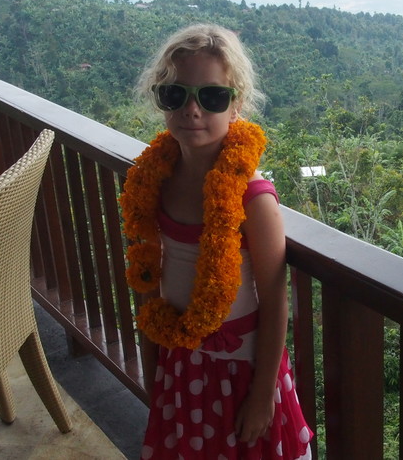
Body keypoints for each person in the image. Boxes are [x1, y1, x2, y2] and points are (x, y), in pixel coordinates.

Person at [120, 23, 313, 459]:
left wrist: (263, 394)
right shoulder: (157, 181)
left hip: (244, 370)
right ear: (160, 99)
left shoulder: (252, 197)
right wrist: (153, 368)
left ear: (236, 104)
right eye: (176, 94)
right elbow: (150, 284)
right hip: (181, 362)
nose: (192, 110)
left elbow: (275, 299)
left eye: (211, 97)